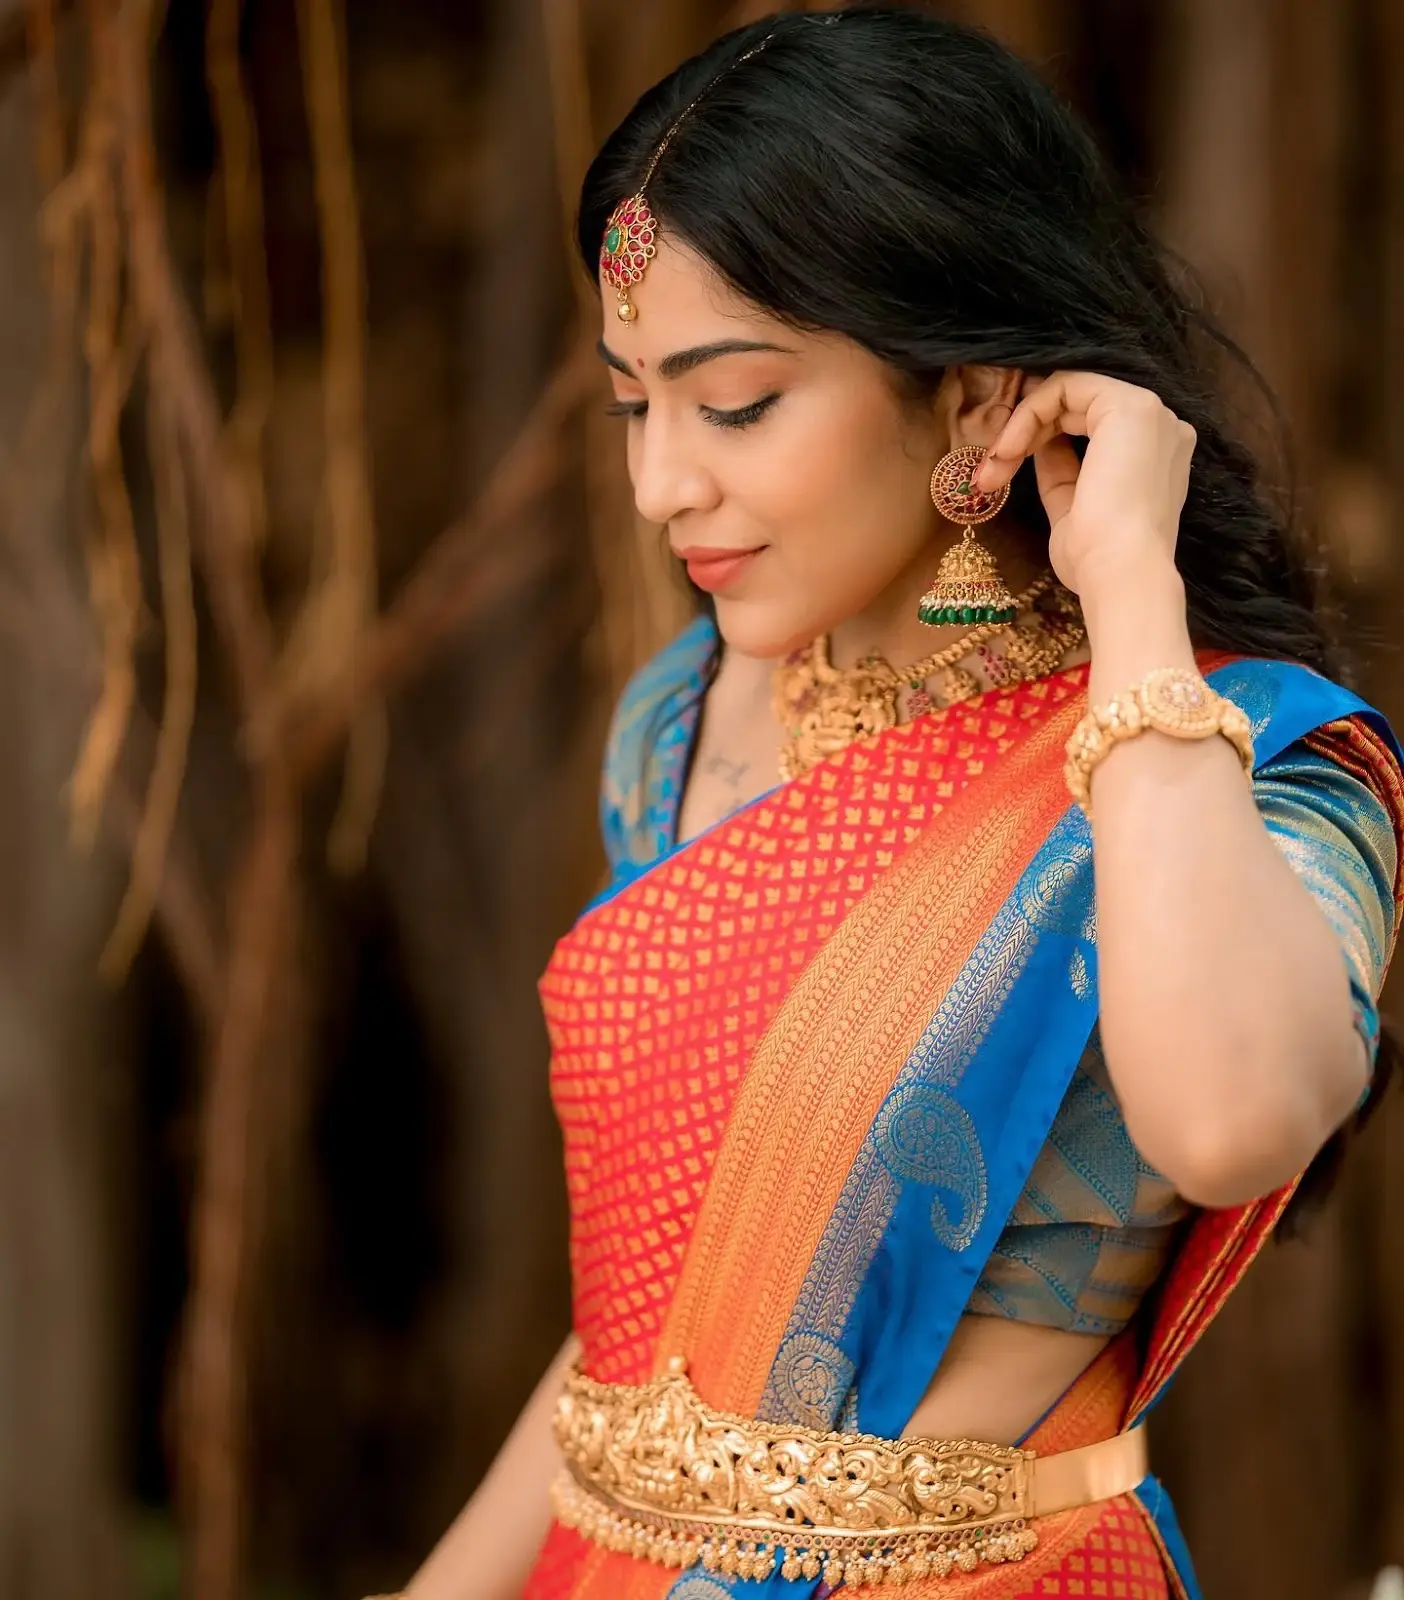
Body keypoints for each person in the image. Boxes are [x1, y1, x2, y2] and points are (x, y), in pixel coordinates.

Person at [395, 10, 1404, 1598]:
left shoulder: (1255, 761)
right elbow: (640, 1330)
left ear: (977, 393)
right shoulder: (679, 724)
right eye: (630, 406)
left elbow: (1231, 1121)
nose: (663, 484)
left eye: (730, 405)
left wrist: (1128, 590)